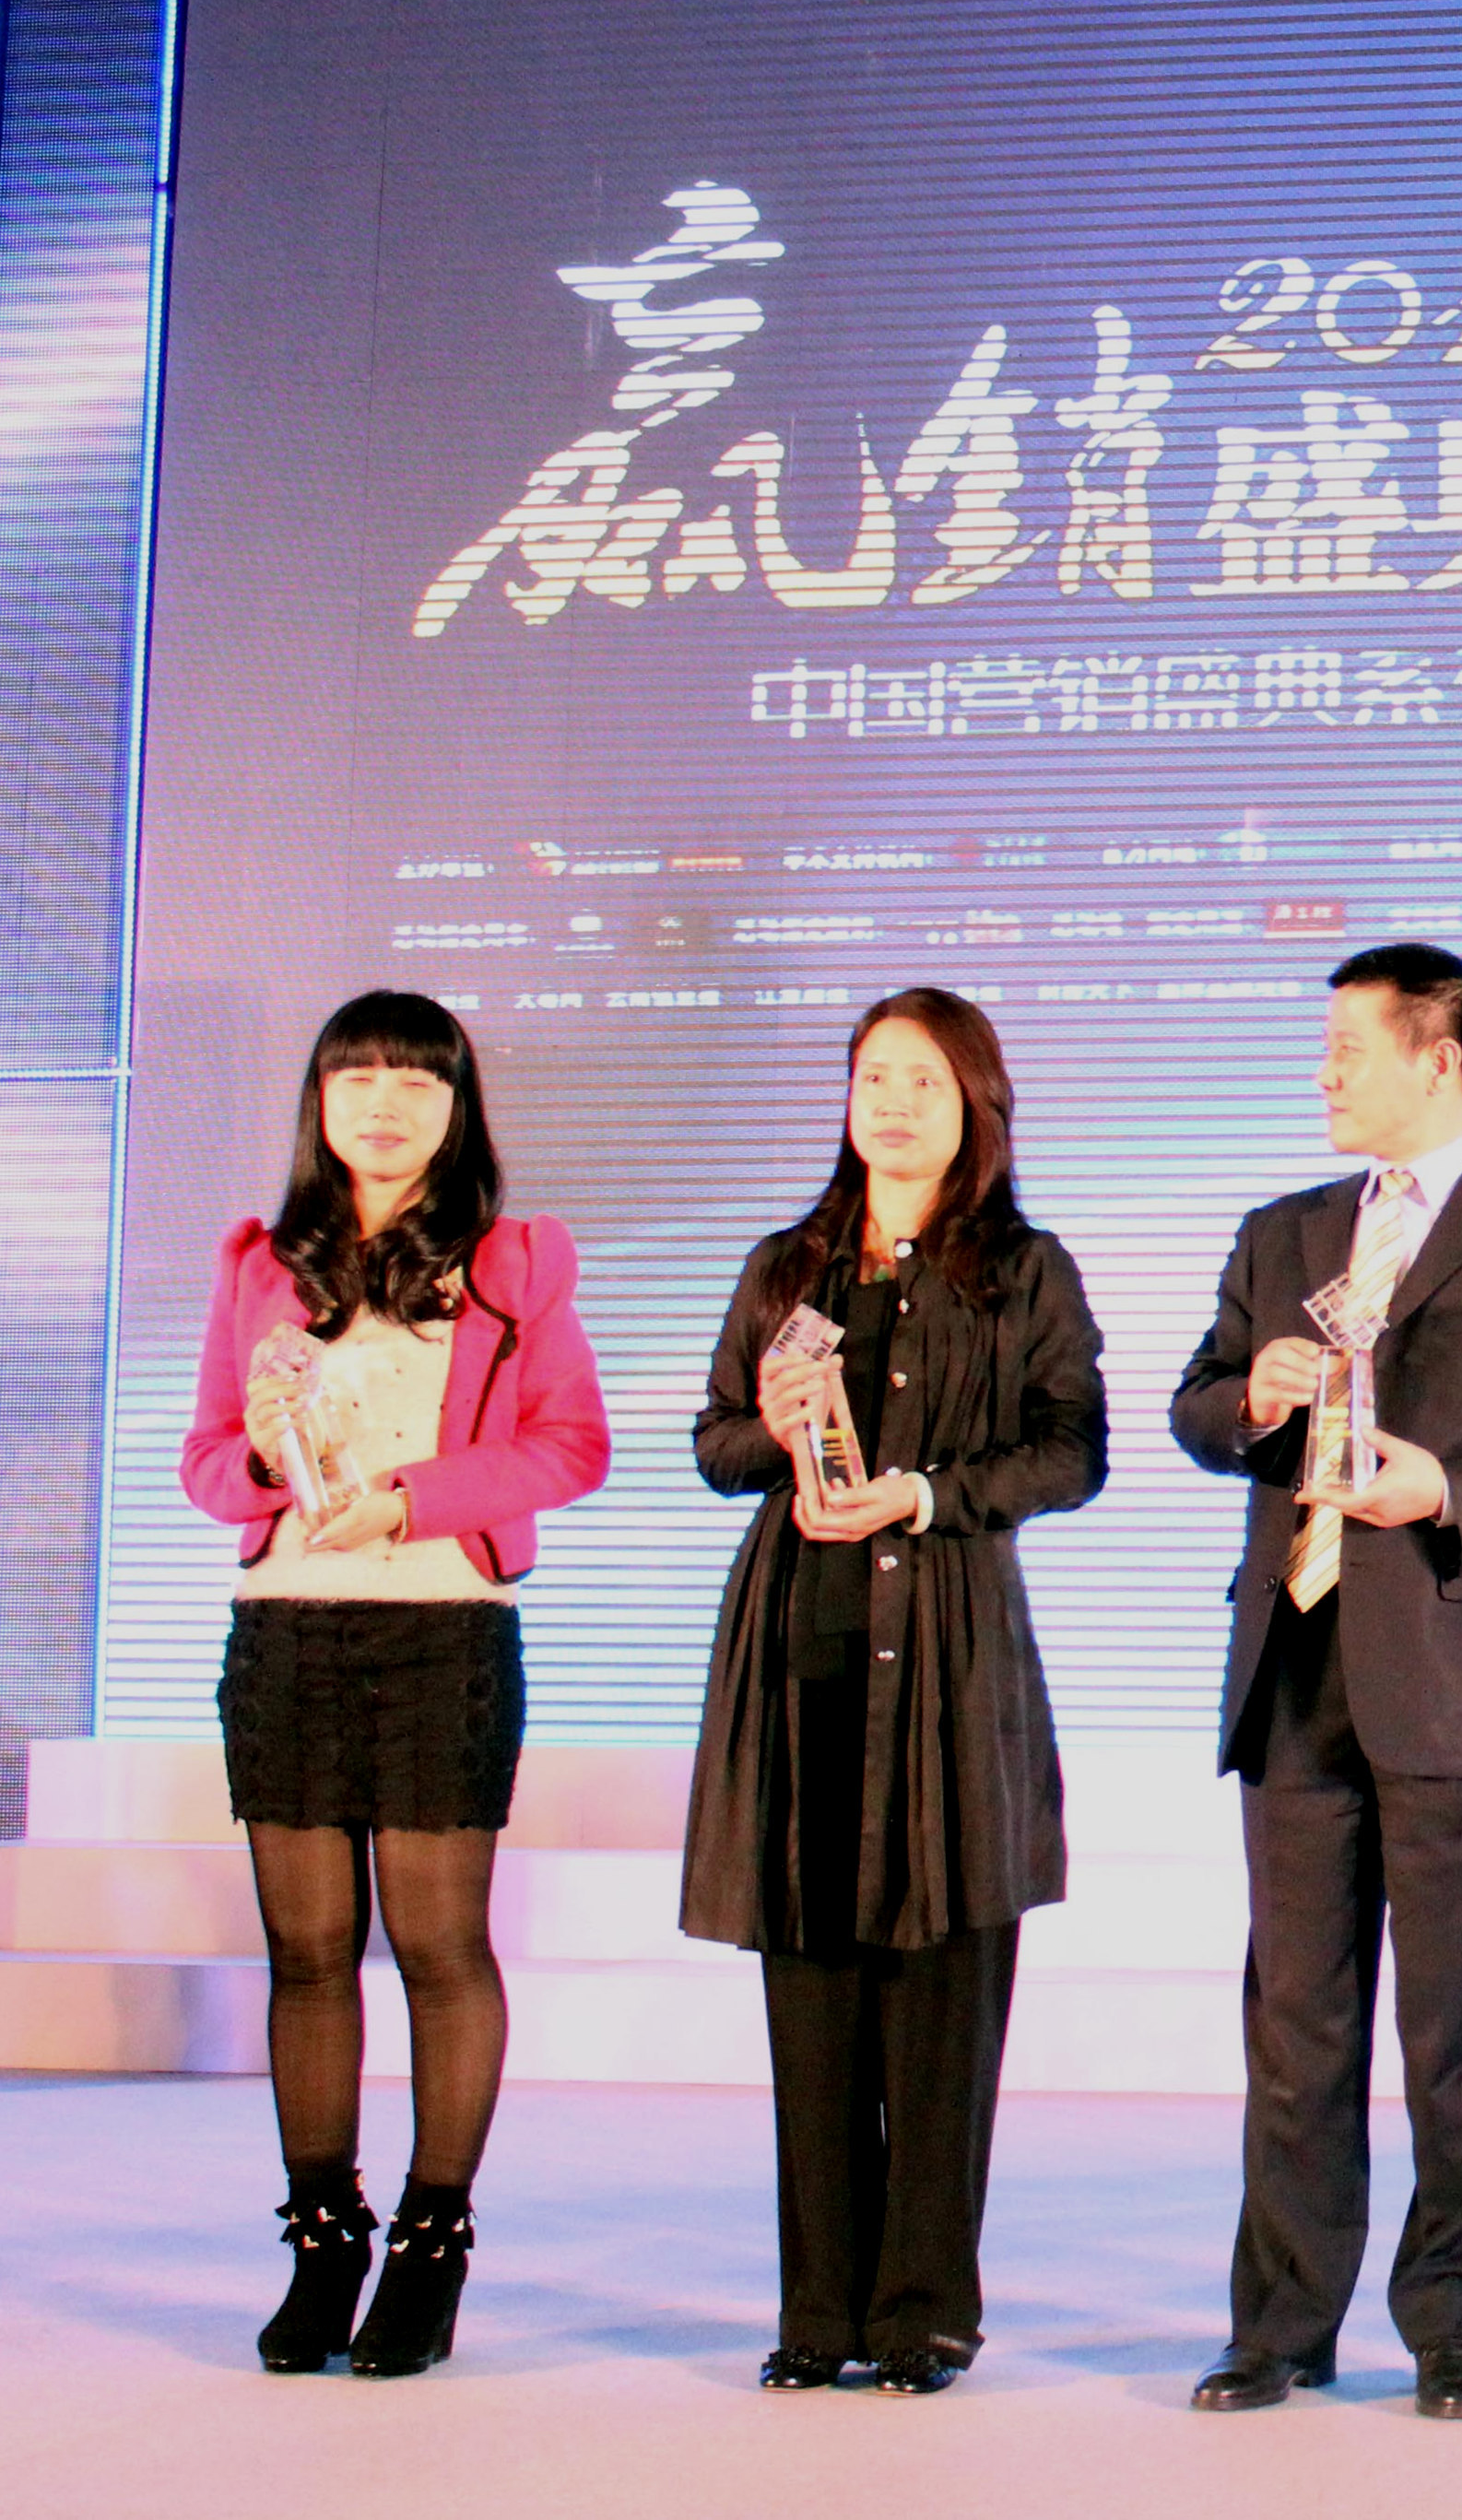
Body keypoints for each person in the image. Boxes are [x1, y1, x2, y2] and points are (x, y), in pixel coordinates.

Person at [1169, 944, 1462, 2419]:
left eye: (1349, 1048)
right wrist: (1250, 1400)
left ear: (1438, 1058)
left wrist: (1448, 1487)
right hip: (1295, 1663)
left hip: (1459, 1674)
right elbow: (1197, 1404)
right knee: (1296, 2025)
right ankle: (1279, 2324)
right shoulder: (1285, 1230)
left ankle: (1457, 2322)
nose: (1324, 1074)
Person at [181, 990, 611, 2376]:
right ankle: (324, 2244)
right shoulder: (260, 1264)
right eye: (357, 1075)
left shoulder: (513, 1261)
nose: (383, 1101)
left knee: (437, 1947)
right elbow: (205, 1462)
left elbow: (572, 1445)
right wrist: (265, 1463)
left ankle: (431, 2249)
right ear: (318, 1100)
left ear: (457, 1107)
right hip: (288, 1630)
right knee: (307, 1952)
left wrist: (413, 1500)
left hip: (442, 1630)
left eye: (417, 1080)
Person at [682, 989, 1102, 2396]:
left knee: (940, 1993)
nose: (896, 1103)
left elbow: (1072, 1451)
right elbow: (715, 1444)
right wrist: (771, 1431)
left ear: (976, 1102)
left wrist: (923, 1494)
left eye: (925, 1079)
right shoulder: (787, 1266)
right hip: (802, 1645)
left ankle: (924, 2309)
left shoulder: (1023, 1270)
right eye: (875, 1076)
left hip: (947, 1656)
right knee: (812, 1996)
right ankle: (820, 2312)